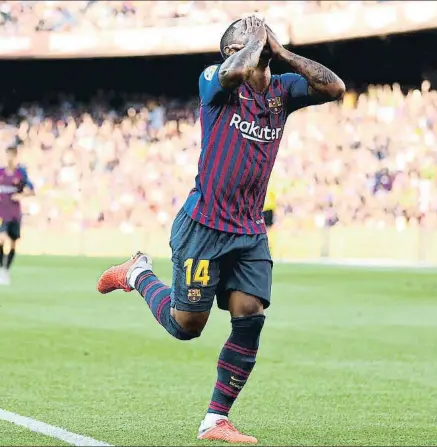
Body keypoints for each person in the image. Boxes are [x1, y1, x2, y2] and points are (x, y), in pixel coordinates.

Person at [97, 16, 344, 444]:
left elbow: (334, 88)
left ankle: (215, 420)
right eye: (248, 41)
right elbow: (232, 71)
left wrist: (282, 53)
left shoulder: (283, 90)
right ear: (232, 51)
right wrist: (252, 45)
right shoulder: (215, 79)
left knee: (250, 315)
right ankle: (138, 273)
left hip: (249, 230)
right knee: (187, 327)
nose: (260, 43)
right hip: (204, 226)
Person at [0, 146, 34, 285]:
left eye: (12, 156)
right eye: (7, 155)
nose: (9, 158)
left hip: (14, 212)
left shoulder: (21, 173)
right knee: (2, 238)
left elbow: (31, 190)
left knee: (13, 243)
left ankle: (6, 270)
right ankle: (0, 269)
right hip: (1, 210)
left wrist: (20, 195)